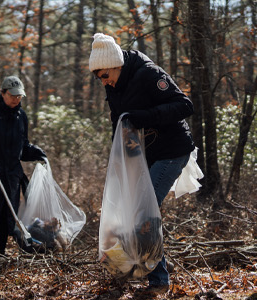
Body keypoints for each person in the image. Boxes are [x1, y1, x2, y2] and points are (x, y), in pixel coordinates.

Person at [87, 33, 191, 288]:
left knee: (143, 212)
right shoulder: (114, 86)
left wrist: (143, 117)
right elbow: (119, 121)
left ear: (115, 64)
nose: (103, 82)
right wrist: (117, 159)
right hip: (146, 156)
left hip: (172, 150)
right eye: (98, 77)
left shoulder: (148, 74)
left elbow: (184, 105)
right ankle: (135, 270)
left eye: (103, 75)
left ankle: (157, 280)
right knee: (139, 213)